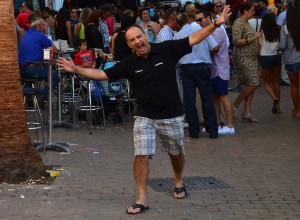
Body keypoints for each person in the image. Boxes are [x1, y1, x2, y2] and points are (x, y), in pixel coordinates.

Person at [57, 5, 231, 215]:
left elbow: (195, 38)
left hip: (171, 113)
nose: (137, 42)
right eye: (132, 40)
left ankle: (178, 180)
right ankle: (141, 198)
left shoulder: (167, 49)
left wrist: (217, 23)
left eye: (139, 37)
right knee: (141, 155)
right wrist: (76, 69)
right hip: (145, 115)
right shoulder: (129, 64)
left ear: (146, 36)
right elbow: (103, 75)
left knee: (176, 153)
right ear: (129, 45)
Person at [174, 12, 219, 139]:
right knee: (207, 98)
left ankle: (194, 131)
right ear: (189, 19)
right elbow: (215, 47)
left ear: (177, 24)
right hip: (202, 67)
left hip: (186, 68)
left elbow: (175, 55)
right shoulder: (201, 30)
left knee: (189, 100)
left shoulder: (177, 36)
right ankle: (212, 130)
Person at [198, 11, 235, 134]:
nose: (199, 22)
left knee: (223, 97)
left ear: (208, 18)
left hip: (220, 69)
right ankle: (217, 124)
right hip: (214, 70)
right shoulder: (211, 31)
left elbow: (212, 49)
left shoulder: (217, 31)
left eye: (200, 19)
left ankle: (230, 126)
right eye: (197, 20)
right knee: (215, 98)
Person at [231, 2, 262, 122]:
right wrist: (253, 38)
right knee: (253, 83)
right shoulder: (238, 23)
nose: (254, 12)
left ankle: (247, 112)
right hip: (243, 57)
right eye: (252, 10)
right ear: (245, 11)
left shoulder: (246, 22)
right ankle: (235, 105)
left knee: (252, 83)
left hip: (252, 57)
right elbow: (236, 41)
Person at [19, 17, 59, 100]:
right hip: (33, 70)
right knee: (55, 76)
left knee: (46, 68)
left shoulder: (26, 34)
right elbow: (55, 50)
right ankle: (44, 94)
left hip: (22, 70)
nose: (45, 28)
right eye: (43, 25)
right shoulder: (40, 35)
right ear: (37, 26)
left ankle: (31, 99)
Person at [280, 5, 300, 117]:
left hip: (291, 60)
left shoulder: (285, 28)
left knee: (294, 86)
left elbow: (282, 45)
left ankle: (297, 110)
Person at [259, 13, 281, 114]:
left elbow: (258, 47)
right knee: (276, 82)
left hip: (266, 57)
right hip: (277, 57)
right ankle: (278, 107)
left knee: (266, 83)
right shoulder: (277, 31)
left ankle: (274, 98)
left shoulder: (262, 32)